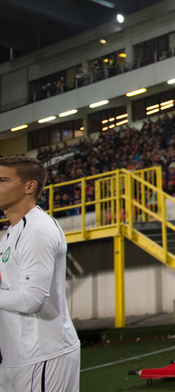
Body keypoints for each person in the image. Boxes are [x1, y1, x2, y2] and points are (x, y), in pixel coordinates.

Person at [0, 157, 81, 391]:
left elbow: (32, 300)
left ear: (29, 186)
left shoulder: (38, 230)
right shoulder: (11, 234)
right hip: (19, 356)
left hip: (43, 355)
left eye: (3, 180)